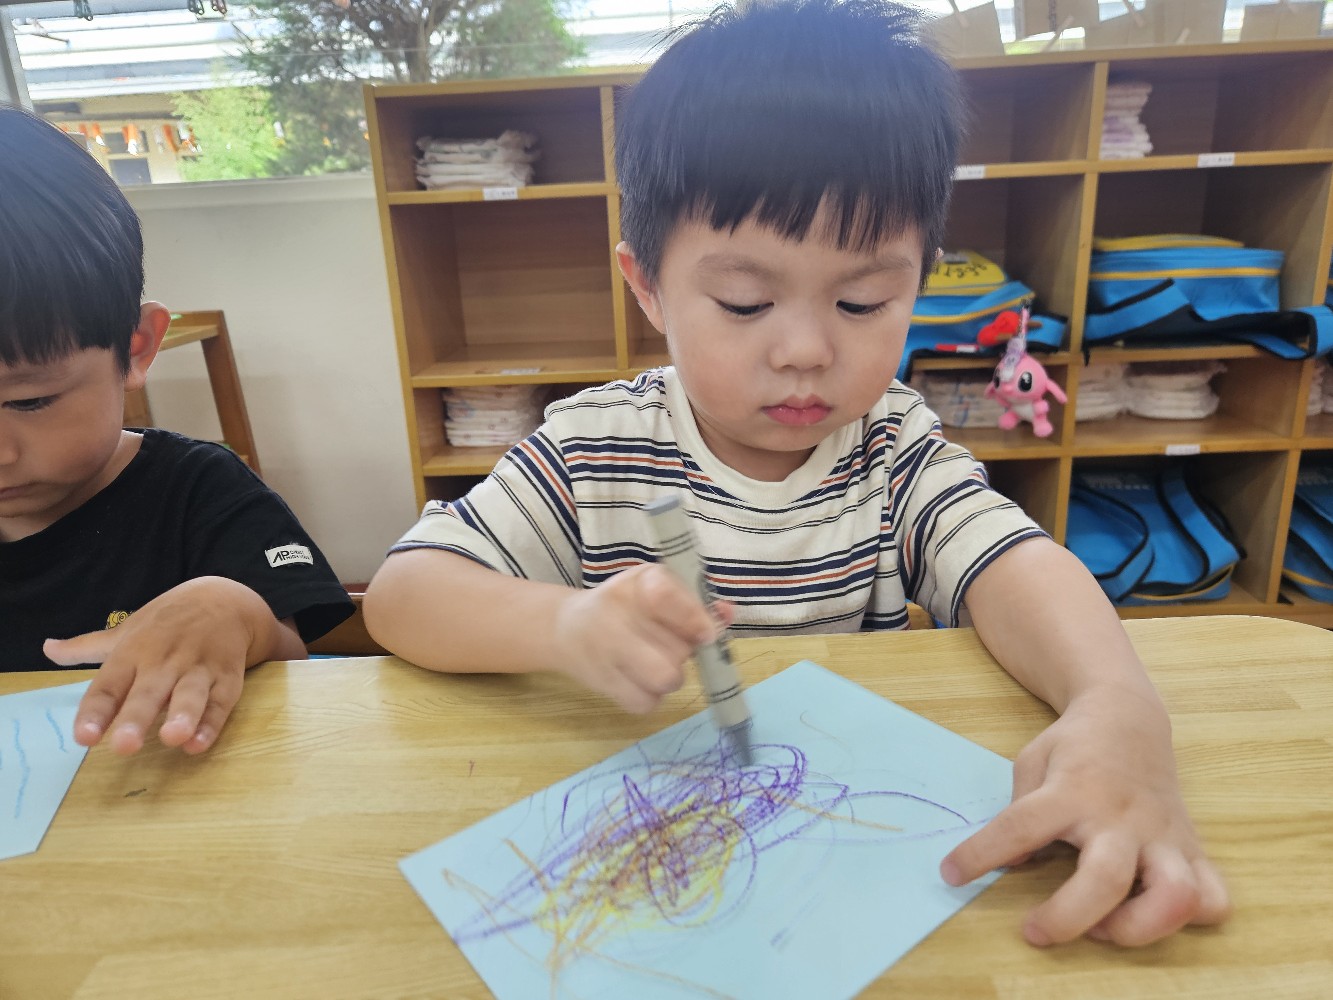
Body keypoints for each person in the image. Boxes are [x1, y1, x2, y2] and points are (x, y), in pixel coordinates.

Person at [363, 0, 1230, 948]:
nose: (806, 351)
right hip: (653, 842)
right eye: (744, 302)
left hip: (831, 854)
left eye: (863, 301)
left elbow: (1015, 567)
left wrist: (1116, 703)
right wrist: (562, 625)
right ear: (647, 285)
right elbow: (403, 596)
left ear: (917, 280)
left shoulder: (891, 446)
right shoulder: (596, 447)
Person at [0, 104, 353, 756]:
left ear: (135, 348)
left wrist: (235, 612)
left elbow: (294, 669)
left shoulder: (199, 492)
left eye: (29, 400)